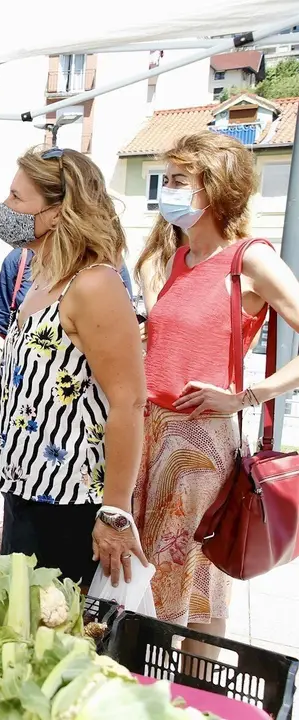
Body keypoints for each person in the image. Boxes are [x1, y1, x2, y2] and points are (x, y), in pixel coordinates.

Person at [133, 131, 299, 645]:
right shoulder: (176, 258)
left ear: (215, 189)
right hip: (152, 436)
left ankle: (193, 697)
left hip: (200, 445)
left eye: (181, 180)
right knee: (156, 581)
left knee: (194, 583)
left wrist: (249, 396)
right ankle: (164, 692)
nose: (169, 189)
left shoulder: (249, 259)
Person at [0, 146, 147, 586]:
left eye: (17, 198)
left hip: (69, 507)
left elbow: (129, 403)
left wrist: (114, 513)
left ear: (56, 214)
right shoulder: (42, 277)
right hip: (25, 494)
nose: (5, 207)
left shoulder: (94, 285)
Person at [0, 250, 135, 435]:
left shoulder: (106, 266)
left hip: (74, 414)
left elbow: (120, 347)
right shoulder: (18, 260)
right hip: (14, 404)